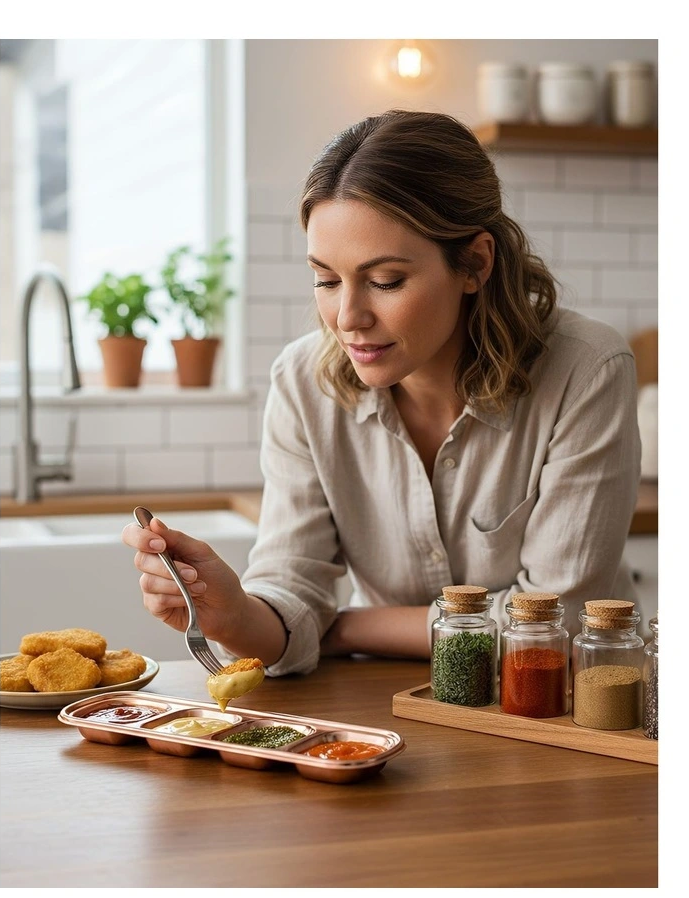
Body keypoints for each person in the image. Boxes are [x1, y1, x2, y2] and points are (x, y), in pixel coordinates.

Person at [121, 109, 641, 676]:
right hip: (389, 713)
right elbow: (290, 586)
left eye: (385, 281)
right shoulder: (302, 383)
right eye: (325, 280)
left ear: (475, 262)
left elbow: (549, 625)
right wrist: (233, 614)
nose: (348, 317)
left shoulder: (586, 369)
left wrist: (339, 626)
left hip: (556, 709)